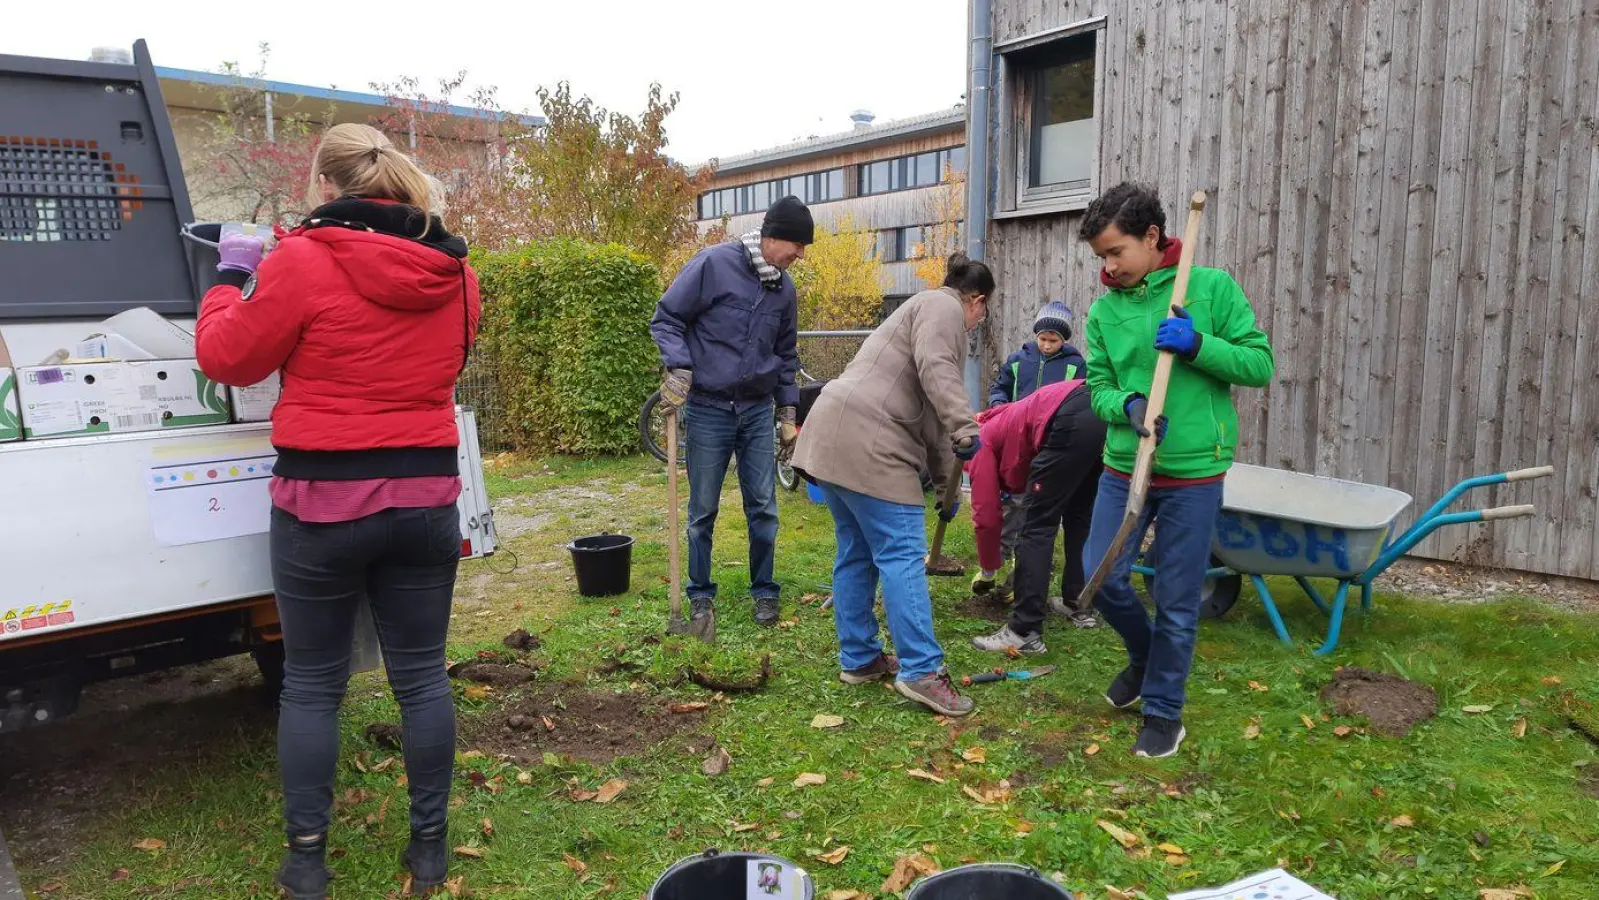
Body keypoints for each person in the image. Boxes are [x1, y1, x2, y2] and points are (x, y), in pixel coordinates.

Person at [194, 123, 481, 899]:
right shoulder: (456, 272)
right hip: (424, 501)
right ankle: (427, 853)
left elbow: (228, 357)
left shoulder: (300, 261)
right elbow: (450, 360)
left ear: (324, 185)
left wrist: (229, 278)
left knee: (314, 685)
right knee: (421, 679)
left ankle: (307, 862)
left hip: (321, 505)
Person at [1076, 182, 1273, 759]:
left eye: (1116, 252)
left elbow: (1259, 363)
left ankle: (1164, 710)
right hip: (1124, 467)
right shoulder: (1105, 310)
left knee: (1177, 596)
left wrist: (1197, 345)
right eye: (1101, 258)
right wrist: (1129, 406)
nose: (1109, 267)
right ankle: (1146, 658)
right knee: (1101, 578)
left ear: (1153, 238)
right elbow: (1098, 389)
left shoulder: (1209, 289)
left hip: (1193, 471)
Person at [791, 253, 992, 717]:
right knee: (902, 553)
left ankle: (860, 658)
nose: (978, 321)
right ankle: (922, 670)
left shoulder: (913, 311)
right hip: (872, 442)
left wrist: (946, 488)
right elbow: (938, 372)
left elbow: (933, 427)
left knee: (856, 553)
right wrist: (967, 426)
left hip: (831, 434)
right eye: (982, 313)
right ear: (977, 302)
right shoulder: (944, 311)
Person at [650, 198, 809, 629]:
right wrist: (680, 366)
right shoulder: (713, 265)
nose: (800, 255)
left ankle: (764, 592)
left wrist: (788, 411)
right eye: (797, 245)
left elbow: (786, 353)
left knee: (764, 508)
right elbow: (666, 319)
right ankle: (700, 596)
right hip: (708, 409)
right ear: (773, 236)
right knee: (702, 511)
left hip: (757, 411)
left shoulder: (785, 289)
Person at [966, 379, 1106, 654]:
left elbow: (986, 516)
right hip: (1098, 408)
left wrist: (988, 570)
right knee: (1080, 516)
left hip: (1068, 416)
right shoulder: (1004, 418)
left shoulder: (979, 442)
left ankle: (1024, 631)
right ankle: (1078, 604)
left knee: (1036, 525)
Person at [974, 301, 1090, 599]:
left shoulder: (1075, 366)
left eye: (1054, 340)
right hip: (1015, 439)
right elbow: (999, 388)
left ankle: (1021, 571)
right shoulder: (1018, 360)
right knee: (1009, 503)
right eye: (1043, 338)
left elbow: (1078, 401)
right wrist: (1000, 406)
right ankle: (997, 560)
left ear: (1065, 340)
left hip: (1050, 443)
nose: (1047, 345)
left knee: (1033, 506)